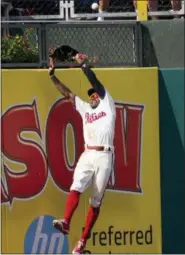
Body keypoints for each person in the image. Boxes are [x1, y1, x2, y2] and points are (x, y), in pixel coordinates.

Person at [48, 54, 116, 254]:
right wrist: (53, 77)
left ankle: (82, 243)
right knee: (76, 186)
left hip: (105, 155)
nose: (93, 96)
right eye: (91, 95)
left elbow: (94, 81)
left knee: (95, 200)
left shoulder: (107, 104)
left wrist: (82, 65)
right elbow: (68, 95)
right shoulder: (86, 109)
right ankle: (66, 222)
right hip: (88, 154)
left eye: (95, 94)